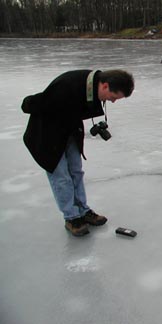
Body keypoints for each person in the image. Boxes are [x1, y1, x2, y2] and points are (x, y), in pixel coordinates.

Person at [21, 69, 134, 237]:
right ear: (105, 85)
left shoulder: (91, 85)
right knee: (61, 177)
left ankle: (83, 210)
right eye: (113, 97)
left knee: (76, 172)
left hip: (69, 131)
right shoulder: (67, 87)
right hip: (47, 137)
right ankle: (71, 217)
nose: (113, 101)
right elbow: (30, 104)